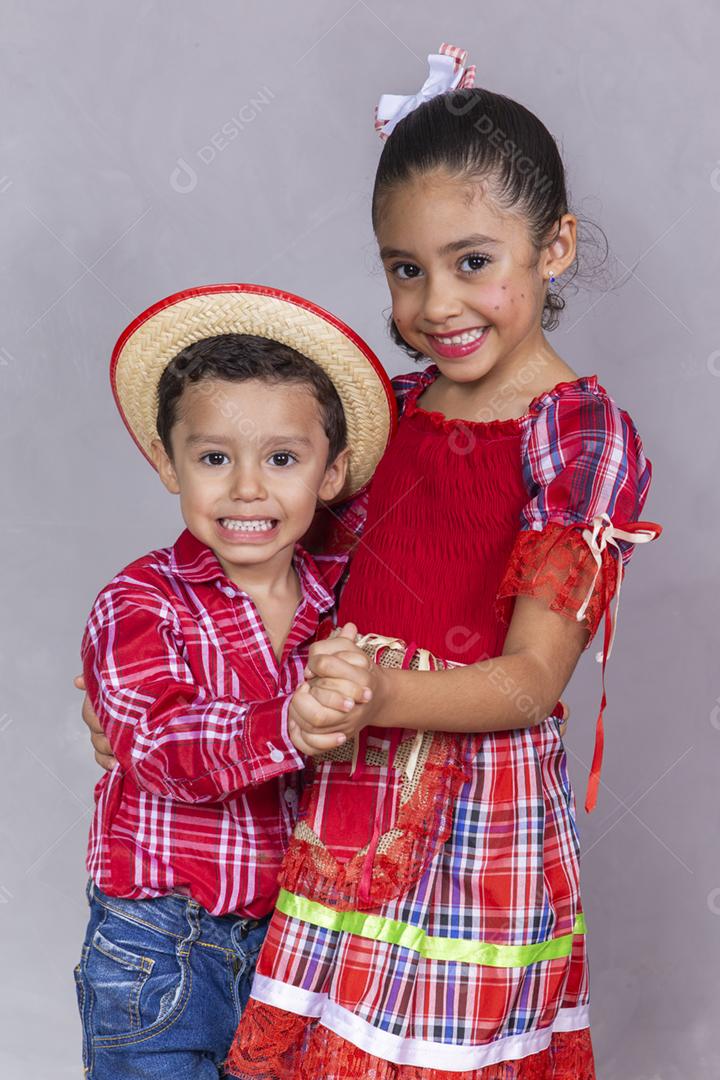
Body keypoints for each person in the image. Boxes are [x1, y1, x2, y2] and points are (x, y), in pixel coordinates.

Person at [222, 44, 662, 1078]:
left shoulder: (579, 438)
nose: (436, 304)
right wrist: (160, 687)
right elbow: (275, 586)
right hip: (344, 795)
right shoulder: (382, 411)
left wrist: (376, 692)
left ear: (552, 247)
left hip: (478, 826)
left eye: (473, 262)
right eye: (405, 268)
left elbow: (527, 685)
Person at [73, 283, 395, 1079]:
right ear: (166, 463)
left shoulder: (343, 595)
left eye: (282, 458)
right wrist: (286, 722)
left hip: (292, 942)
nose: (248, 487)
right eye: (215, 457)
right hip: (158, 941)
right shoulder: (140, 601)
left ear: (331, 472)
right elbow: (155, 741)